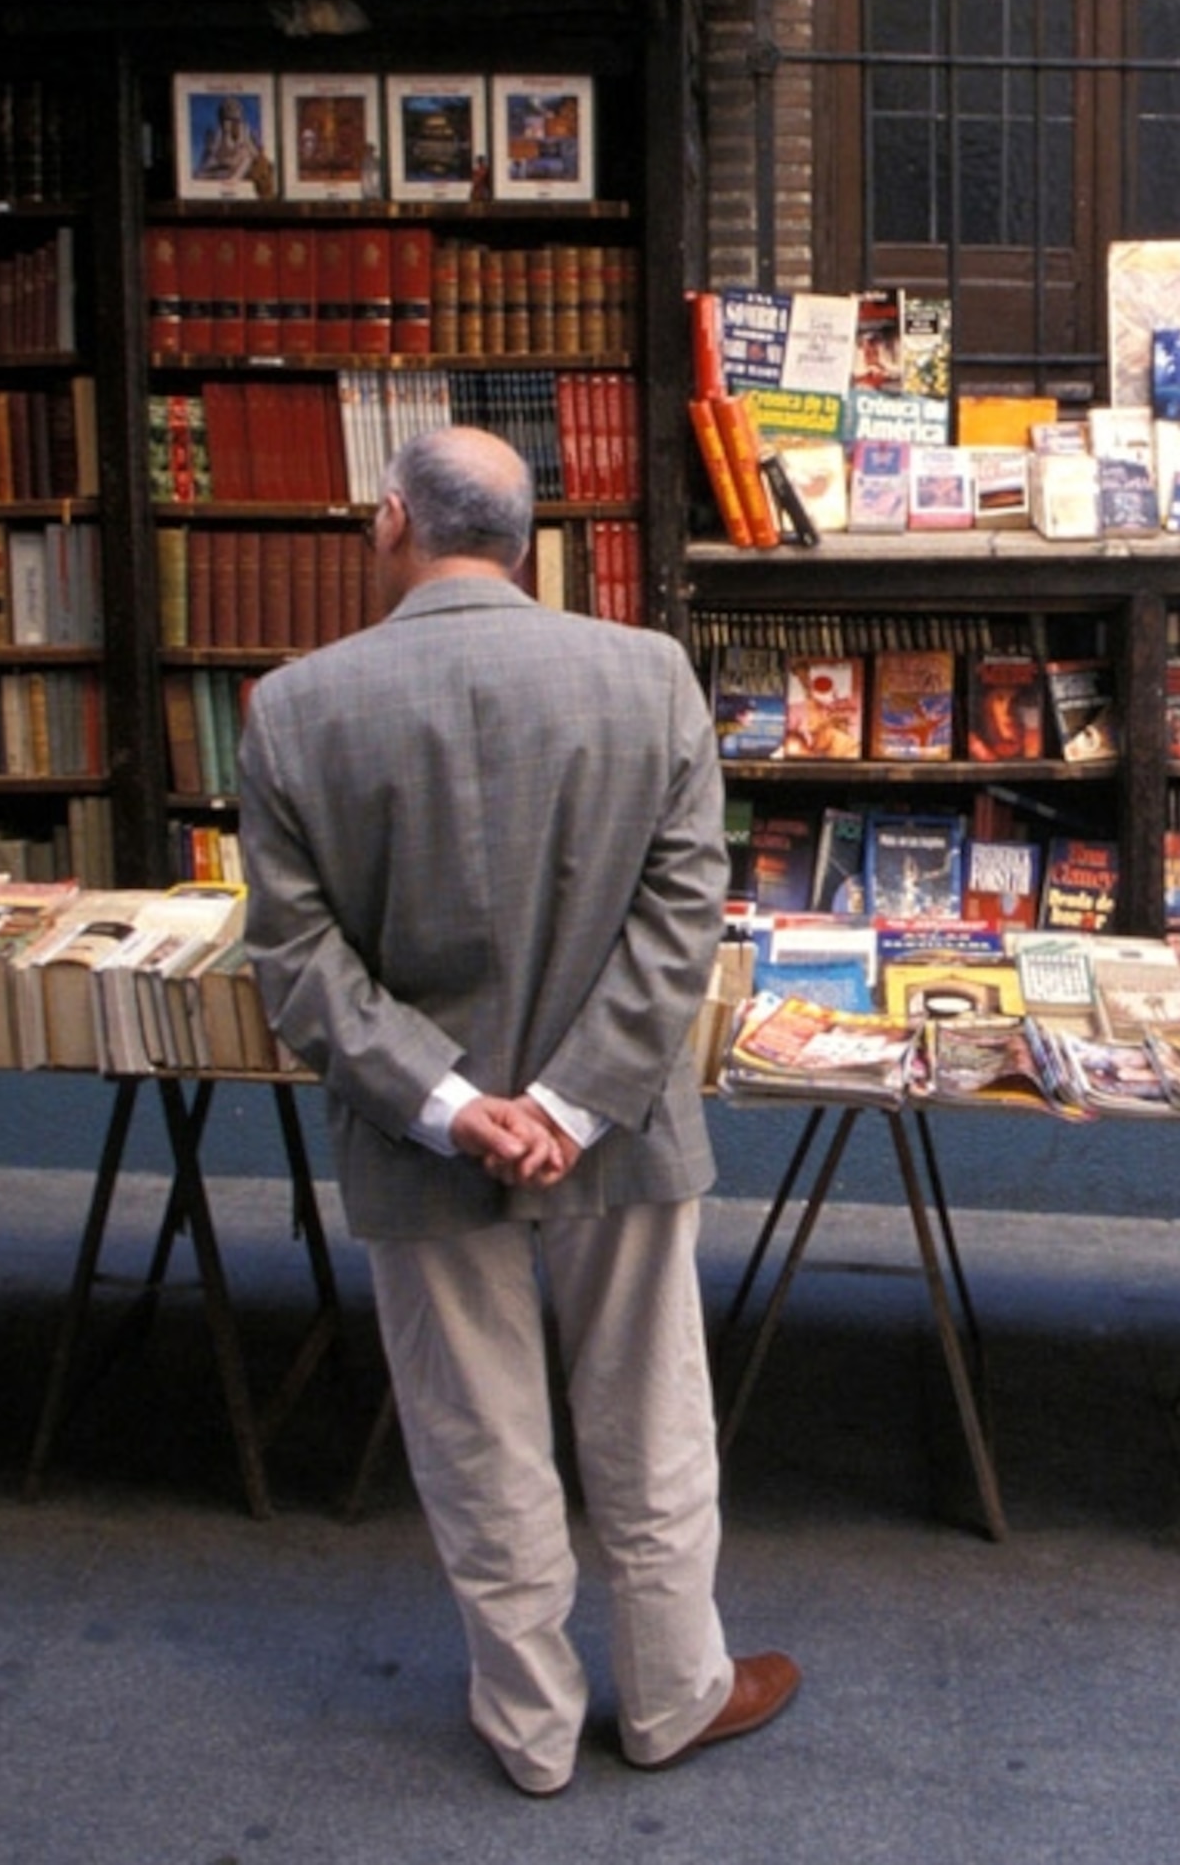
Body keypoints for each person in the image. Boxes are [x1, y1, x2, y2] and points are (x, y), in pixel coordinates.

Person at [239, 425, 796, 1796]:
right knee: (650, 1414)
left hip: (420, 1137)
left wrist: (451, 1104)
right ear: (529, 537)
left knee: (474, 1429)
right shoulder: (647, 673)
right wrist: (569, 1098)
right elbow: (684, 917)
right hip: (621, 1123)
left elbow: (298, 963)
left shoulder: (294, 709)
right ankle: (674, 1695)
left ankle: (530, 1725)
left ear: (391, 524)